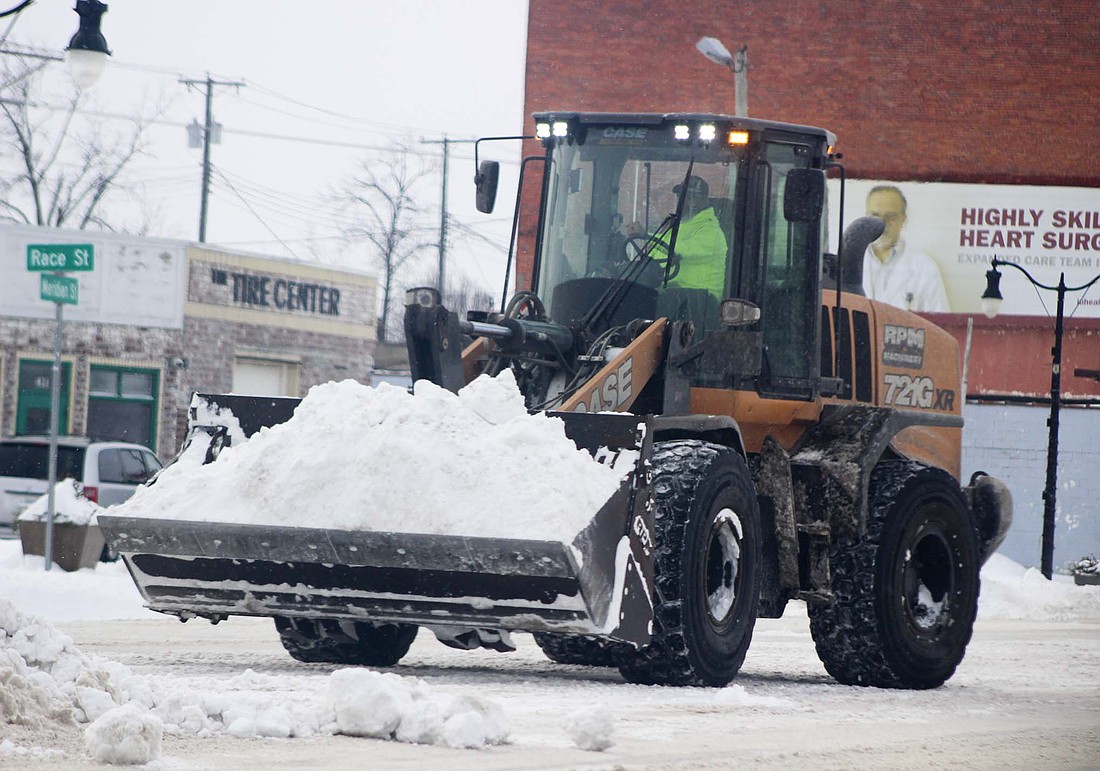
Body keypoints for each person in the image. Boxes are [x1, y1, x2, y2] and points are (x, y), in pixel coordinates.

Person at [626, 175, 728, 297]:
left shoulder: (712, 231)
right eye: (680, 196)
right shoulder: (680, 227)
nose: (681, 201)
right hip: (673, 292)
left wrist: (645, 235)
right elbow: (657, 256)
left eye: (688, 197)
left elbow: (678, 249)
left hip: (701, 299)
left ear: (700, 200)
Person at [862, 185, 949, 312]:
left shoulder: (925, 267)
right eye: (875, 216)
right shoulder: (845, 264)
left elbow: (941, 325)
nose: (881, 223)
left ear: (904, 219)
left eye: (890, 217)